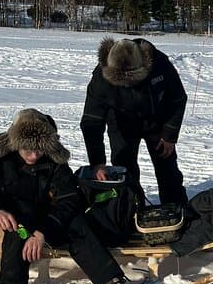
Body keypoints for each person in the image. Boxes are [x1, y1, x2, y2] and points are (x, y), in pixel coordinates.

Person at [0, 109, 152, 284]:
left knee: (76, 223)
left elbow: (69, 198)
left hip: (47, 217)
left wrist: (42, 232)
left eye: (39, 151)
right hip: (11, 216)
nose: (34, 156)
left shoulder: (54, 158)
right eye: (27, 150)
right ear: (14, 143)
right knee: (17, 226)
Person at [80, 37, 188, 206]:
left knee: (168, 170)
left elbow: (178, 98)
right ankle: (132, 211)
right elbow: (92, 121)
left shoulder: (159, 63)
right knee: (125, 171)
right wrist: (97, 162)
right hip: (121, 125)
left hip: (157, 122)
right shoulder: (101, 78)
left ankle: (178, 210)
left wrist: (169, 135)